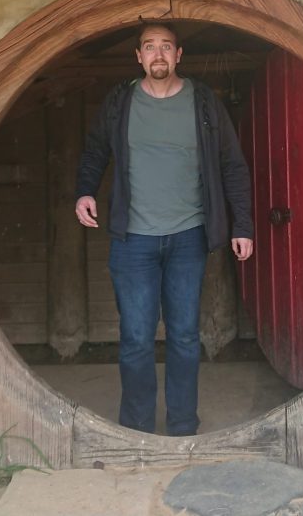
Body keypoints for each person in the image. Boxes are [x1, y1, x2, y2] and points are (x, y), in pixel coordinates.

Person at [74, 22, 254, 436]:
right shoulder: (120, 102)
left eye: (166, 47)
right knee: (136, 338)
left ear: (179, 55)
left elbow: (232, 166)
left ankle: (182, 427)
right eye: (149, 47)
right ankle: (136, 429)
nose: (158, 54)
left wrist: (241, 224)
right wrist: (85, 191)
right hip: (133, 239)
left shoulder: (204, 103)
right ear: (138, 56)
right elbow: (95, 150)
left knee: (185, 337)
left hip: (188, 236)